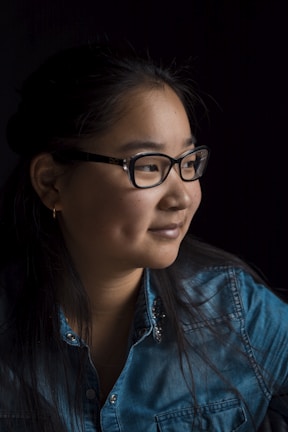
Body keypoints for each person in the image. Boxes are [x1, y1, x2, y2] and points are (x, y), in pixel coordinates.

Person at [0, 40, 287, 432]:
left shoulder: (237, 316)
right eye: (148, 166)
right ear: (51, 183)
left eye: (189, 163)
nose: (182, 196)